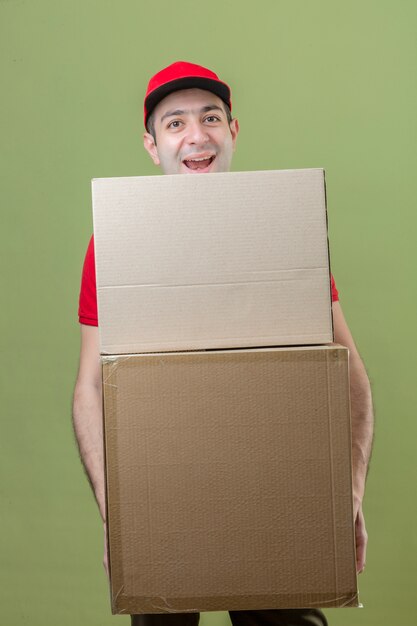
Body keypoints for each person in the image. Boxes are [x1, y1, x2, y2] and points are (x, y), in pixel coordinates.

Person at [72, 61, 374, 626]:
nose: (196, 135)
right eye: (175, 123)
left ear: (232, 131)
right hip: (160, 496)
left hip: (276, 494)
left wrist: (349, 491)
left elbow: (349, 373)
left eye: (210, 118)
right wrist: (117, 515)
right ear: (151, 144)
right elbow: (90, 385)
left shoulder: (288, 227)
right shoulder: (115, 240)